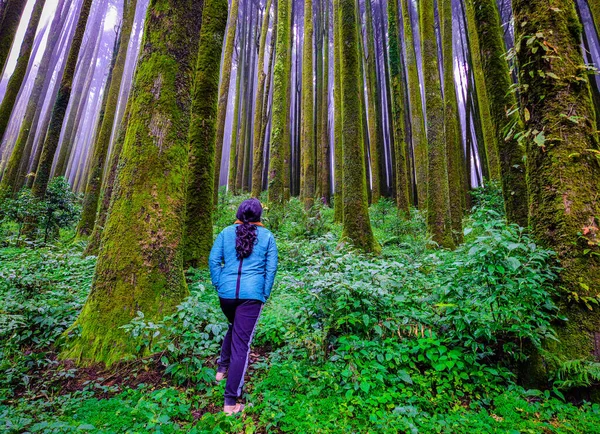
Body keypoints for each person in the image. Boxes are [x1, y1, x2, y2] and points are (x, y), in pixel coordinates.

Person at [208, 198, 278, 415]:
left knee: (233, 327)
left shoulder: (225, 233)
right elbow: (271, 268)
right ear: (259, 216)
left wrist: (220, 283)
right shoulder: (267, 236)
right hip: (251, 297)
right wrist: (263, 293)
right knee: (242, 345)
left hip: (227, 296)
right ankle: (230, 402)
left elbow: (213, 260)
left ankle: (221, 369)